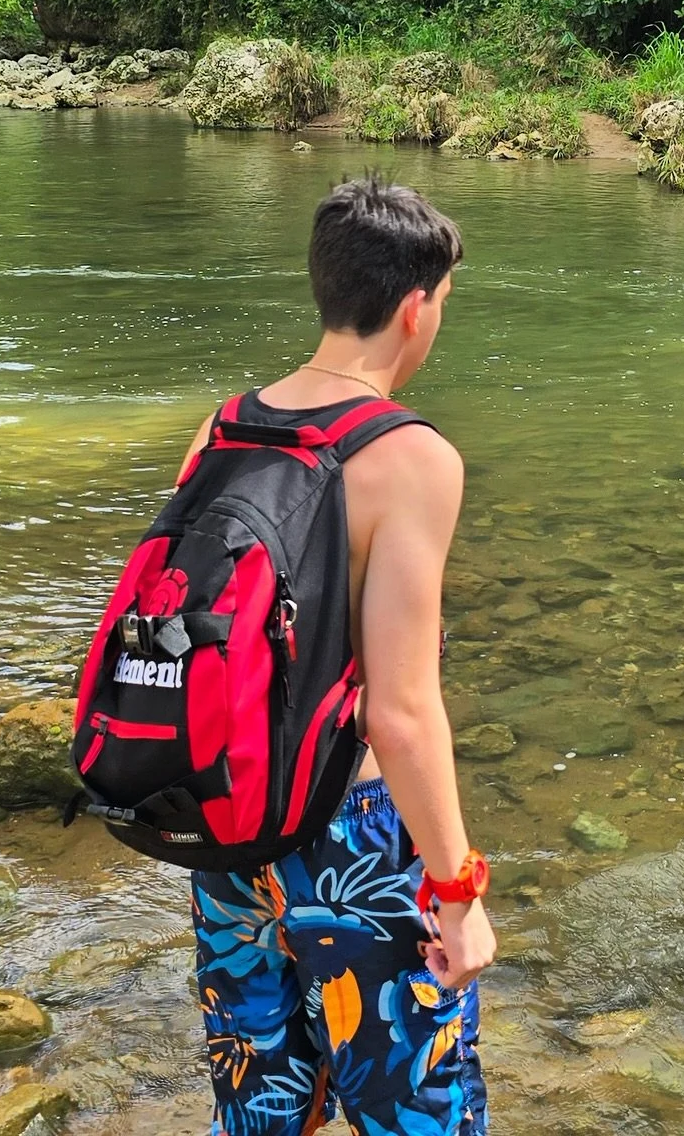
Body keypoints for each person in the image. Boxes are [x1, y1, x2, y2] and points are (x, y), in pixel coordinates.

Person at [182, 177, 495, 1134]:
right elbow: (398, 713)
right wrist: (455, 892)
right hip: (349, 832)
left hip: (229, 821)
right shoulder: (410, 461)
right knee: (419, 1110)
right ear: (416, 306)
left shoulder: (223, 428)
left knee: (267, 1103)